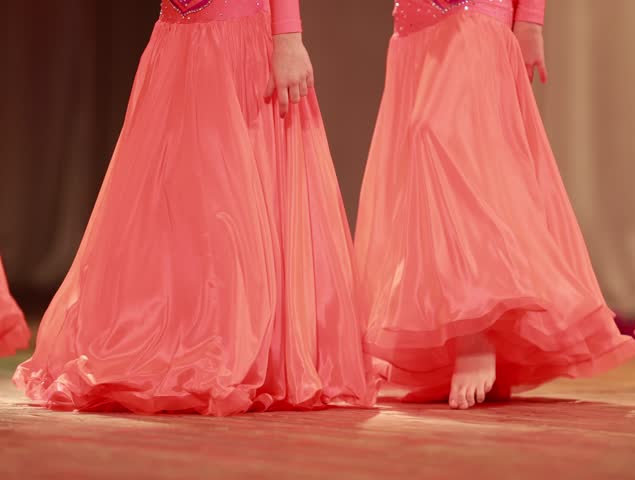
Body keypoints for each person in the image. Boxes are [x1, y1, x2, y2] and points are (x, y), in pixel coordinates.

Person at [14, 0, 376, 415]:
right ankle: (174, 341)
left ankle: (232, 346)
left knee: (232, 206)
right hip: (176, 45)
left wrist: (288, 37)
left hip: (238, 47)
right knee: (175, 209)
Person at [354, 0, 635, 410]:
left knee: (440, 141)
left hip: (475, 14)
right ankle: (455, 351)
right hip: (414, 26)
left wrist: (530, 23)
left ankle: (477, 336)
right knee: (425, 170)